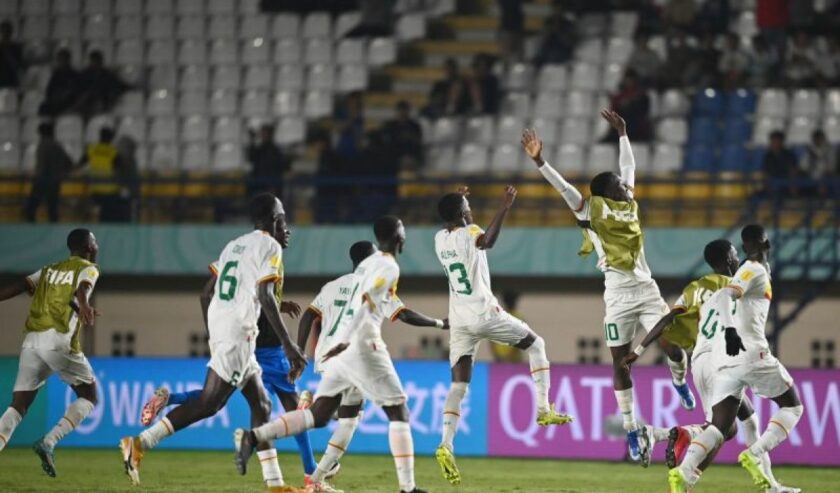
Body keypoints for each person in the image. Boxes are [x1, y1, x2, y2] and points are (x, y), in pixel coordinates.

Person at [522, 110, 695, 466]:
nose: (625, 184)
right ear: (605, 192)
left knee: (673, 347)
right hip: (617, 297)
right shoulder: (589, 211)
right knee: (620, 363)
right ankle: (632, 428)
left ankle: (680, 380)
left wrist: (623, 134)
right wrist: (541, 162)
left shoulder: (628, 204)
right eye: (618, 183)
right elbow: (565, 190)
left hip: (646, 290)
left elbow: (629, 166)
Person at [119, 193, 307, 491]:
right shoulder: (269, 245)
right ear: (274, 219)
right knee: (209, 404)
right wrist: (288, 343)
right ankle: (139, 444)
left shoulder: (234, 245)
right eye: (283, 217)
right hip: (239, 331)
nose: (286, 223)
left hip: (226, 327)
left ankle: (275, 484)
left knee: (261, 404)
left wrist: (217, 333)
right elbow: (265, 295)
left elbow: (207, 293)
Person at [234, 216, 431, 493]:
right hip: (360, 347)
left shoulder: (346, 278)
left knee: (322, 415)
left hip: (333, 354)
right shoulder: (383, 269)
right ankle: (407, 488)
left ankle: (257, 437)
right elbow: (378, 307)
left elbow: (316, 315)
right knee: (393, 411)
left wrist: (311, 348)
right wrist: (439, 323)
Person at [620, 239, 794, 493]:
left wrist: (638, 350)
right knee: (722, 428)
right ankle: (679, 460)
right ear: (727, 259)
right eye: (734, 254)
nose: (738, 258)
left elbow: (667, 318)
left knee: (741, 423)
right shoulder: (736, 283)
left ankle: (768, 485)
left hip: (698, 360)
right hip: (723, 358)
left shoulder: (696, 287)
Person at [433, 186, 572, 485]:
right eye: (467, 205)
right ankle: (543, 409)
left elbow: (458, 223)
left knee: (458, 385)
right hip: (484, 313)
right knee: (537, 344)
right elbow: (487, 241)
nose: (471, 209)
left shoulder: (439, 239)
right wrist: (505, 206)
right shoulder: (471, 231)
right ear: (461, 213)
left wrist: (456, 201)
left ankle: (446, 443)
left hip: (459, 320)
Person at [297, 240, 448, 492]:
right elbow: (404, 314)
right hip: (351, 354)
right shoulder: (374, 282)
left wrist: (300, 352)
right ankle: (316, 480)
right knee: (350, 421)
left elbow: (308, 315)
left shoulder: (332, 286)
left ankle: (318, 471)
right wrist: (440, 323)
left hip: (326, 358)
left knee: (346, 413)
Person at [668, 225, 803, 493]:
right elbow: (725, 296)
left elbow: (723, 296)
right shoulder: (753, 269)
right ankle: (756, 453)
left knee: (720, 427)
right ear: (767, 245)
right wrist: (730, 331)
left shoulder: (747, 271)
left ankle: (684, 473)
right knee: (793, 407)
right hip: (750, 352)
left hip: (725, 363)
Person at [0, 229, 100, 478]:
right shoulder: (88, 268)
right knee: (89, 396)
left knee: (19, 405)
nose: (97, 246)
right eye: (95, 242)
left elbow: (23, 285)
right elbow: (83, 287)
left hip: (32, 341)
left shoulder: (49, 269)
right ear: (88, 247)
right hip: (58, 340)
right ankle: (49, 442)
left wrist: (80, 305)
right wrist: (85, 304)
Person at [24, 122, 74, 223]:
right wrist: (61, 173)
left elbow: (42, 166)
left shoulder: (43, 145)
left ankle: (31, 230)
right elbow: (69, 163)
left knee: (31, 208)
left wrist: (37, 177)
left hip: (42, 180)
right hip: (54, 180)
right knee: (52, 208)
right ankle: (52, 231)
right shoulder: (57, 146)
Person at [79, 126, 123, 223]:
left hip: (95, 188)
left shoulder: (91, 149)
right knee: (107, 218)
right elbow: (120, 170)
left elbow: (80, 164)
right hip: (110, 189)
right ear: (111, 138)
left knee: (96, 218)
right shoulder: (113, 152)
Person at [73, 50, 129, 118]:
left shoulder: (107, 74)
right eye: (93, 61)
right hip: (87, 102)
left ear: (101, 61)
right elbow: (78, 88)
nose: (95, 63)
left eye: (97, 61)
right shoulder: (84, 74)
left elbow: (118, 85)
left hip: (102, 100)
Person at [605, 71, 651, 142]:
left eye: (631, 80)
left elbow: (643, 112)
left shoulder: (642, 96)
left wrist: (630, 103)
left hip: (636, 128)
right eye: (627, 79)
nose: (629, 82)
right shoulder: (620, 96)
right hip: (621, 128)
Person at [246, 124, 290, 199]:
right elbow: (251, 158)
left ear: (270, 135)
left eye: (264, 133)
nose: (263, 136)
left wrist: (274, 186)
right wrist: (252, 140)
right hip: (259, 185)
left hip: (270, 186)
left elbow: (279, 168)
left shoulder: (275, 151)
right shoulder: (260, 149)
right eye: (262, 133)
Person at [382, 100, 424, 171]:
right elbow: (386, 142)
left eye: (404, 110)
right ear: (397, 111)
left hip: (411, 156)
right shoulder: (389, 126)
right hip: (394, 156)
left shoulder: (414, 126)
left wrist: (410, 137)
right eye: (400, 110)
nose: (402, 113)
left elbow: (419, 142)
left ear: (408, 111)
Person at [39, 49, 80, 117]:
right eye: (60, 60)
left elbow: (75, 92)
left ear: (68, 60)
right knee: (44, 107)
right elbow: (49, 91)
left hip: (68, 103)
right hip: (56, 102)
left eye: (63, 59)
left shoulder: (75, 75)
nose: (61, 62)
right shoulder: (56, 74)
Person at [762, 130, 801, 197]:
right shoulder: (768, 156)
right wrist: (768, 187)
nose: (774, 143)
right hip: (773, 186)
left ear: (781, 142)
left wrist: (792, 188)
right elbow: (767, 174)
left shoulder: (789, 155)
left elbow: (793, 172)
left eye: (777, 141)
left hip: (786, 186)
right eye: (773, 141)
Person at [490, 292, 525, 363]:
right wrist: (497, 355)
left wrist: (507, 356)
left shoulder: (518, 317)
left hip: (513, 359)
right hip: (500, 358)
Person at [0, 21, 24, 88]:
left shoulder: (16, 48)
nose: (6, 33)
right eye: (4, 31)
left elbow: (19, 65)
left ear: (11, 32)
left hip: (12, 80)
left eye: (7, 31)